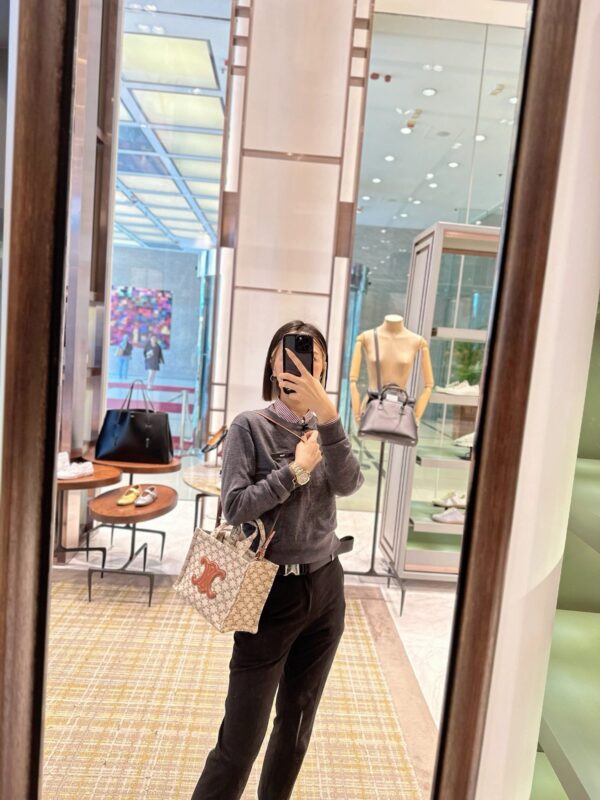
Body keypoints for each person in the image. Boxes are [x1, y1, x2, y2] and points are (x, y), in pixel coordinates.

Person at [191, 320, 364, 800]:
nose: (302, 366)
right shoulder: (249, 426)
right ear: (273, 365)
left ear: (323, 368)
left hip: (326, 587)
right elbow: (235, 506)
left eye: (313, 358)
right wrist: (295, 470)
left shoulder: (328, 430)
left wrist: (329, 420)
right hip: (267, 592)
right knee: (240, 741)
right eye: (289, 357)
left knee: (296, 727)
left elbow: (350, 483)